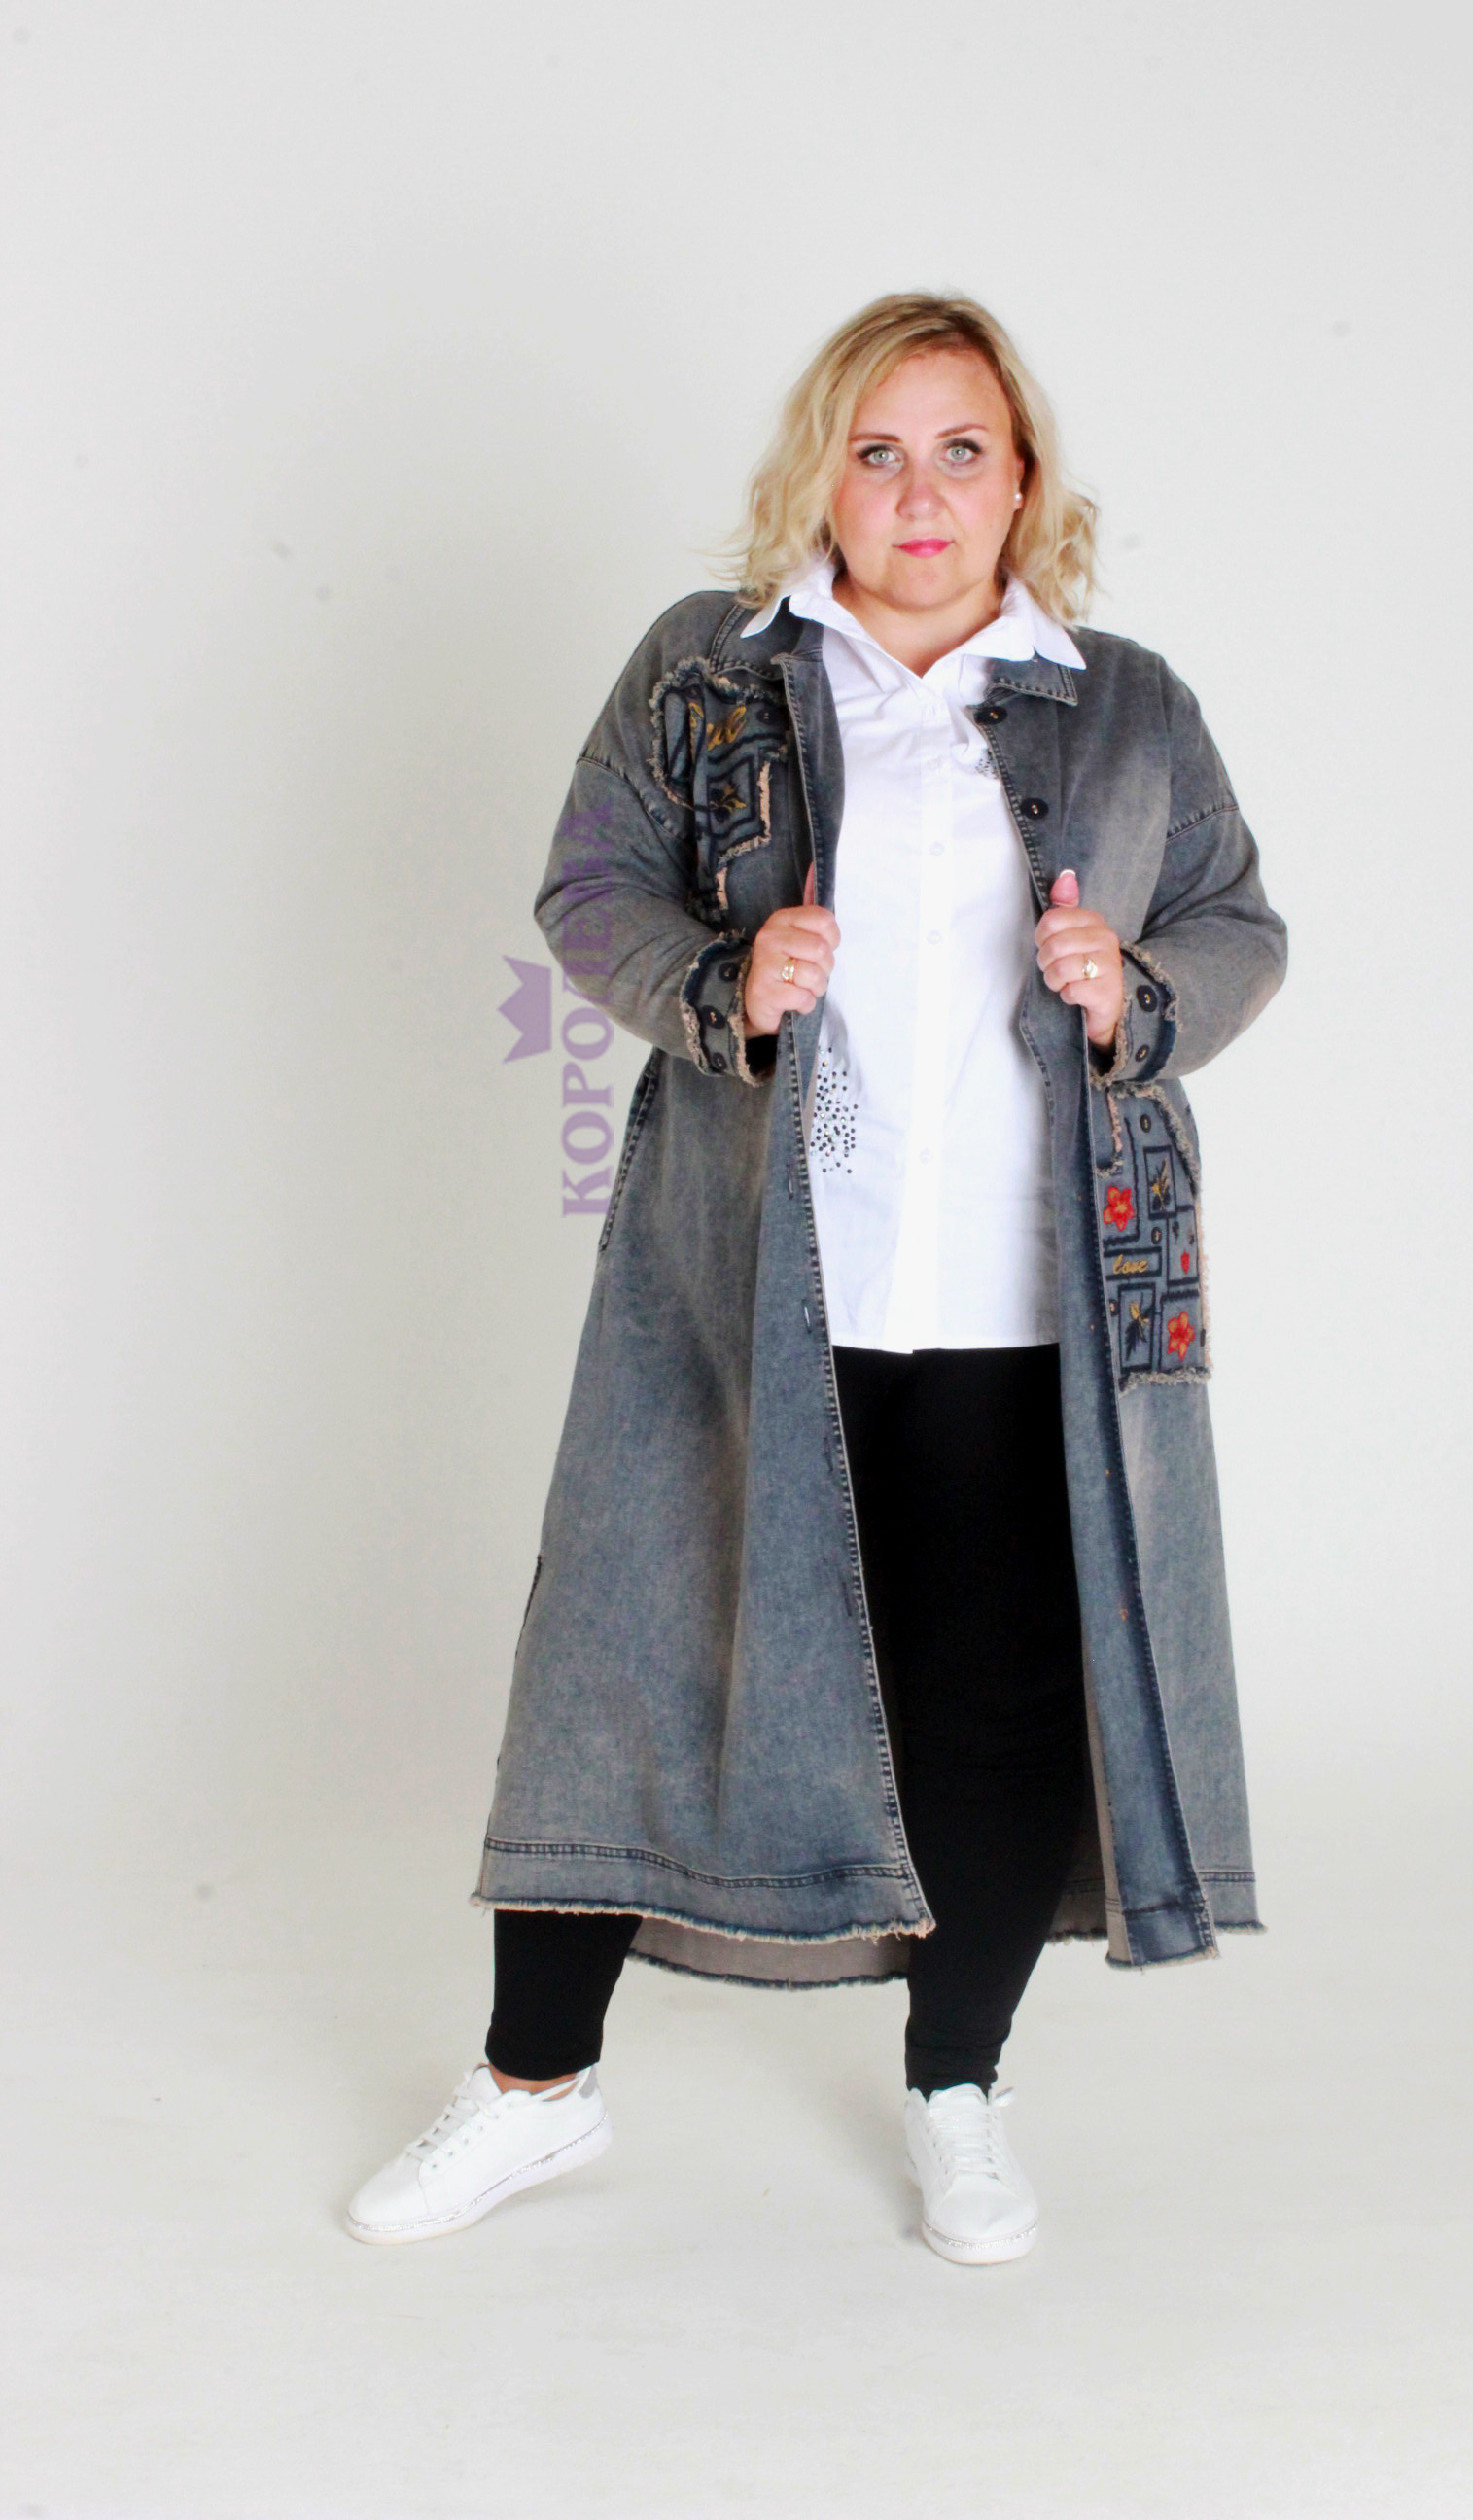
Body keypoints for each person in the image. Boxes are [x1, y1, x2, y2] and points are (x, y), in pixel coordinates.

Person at [346, 292, 1287, 2265]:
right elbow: (589, 882)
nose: (919, 493)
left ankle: (959, 2091)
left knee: (995, 1705)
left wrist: (1139, 990)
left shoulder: (1127, 705)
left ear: (1023, 483)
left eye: (962, 452)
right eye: (878, 451)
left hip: (1025, 1300)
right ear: (823, 478)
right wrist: (723, 980)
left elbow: (1236, 923)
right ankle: (534, 2092)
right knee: (624, 1652)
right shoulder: (714, 671)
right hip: (754, 1278)